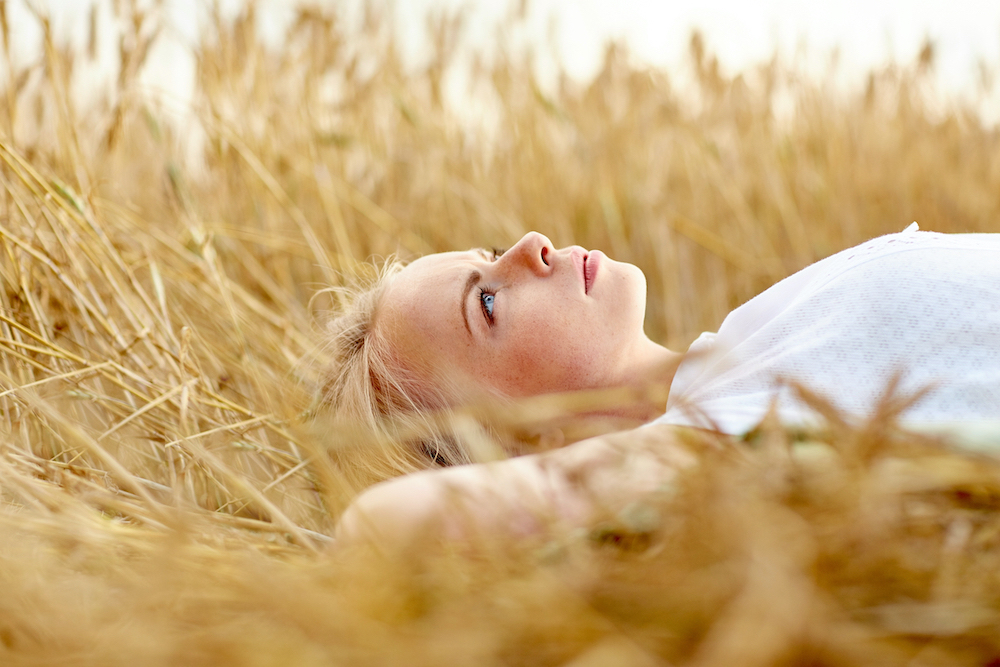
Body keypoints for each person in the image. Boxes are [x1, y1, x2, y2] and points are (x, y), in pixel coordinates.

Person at [326, 224, 1000, 547]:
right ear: (506, 448)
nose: (531, 245)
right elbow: (375, 532)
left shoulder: (753, 335)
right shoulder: (702, 453)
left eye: (489, 252)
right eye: (489, 303)